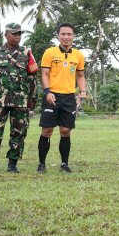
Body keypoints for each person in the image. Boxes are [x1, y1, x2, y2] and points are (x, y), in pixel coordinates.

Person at [0, 23, 37, 174]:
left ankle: (13, 163)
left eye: (19, 34)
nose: (17, 36)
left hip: (21, 101)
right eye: (14, 33)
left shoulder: (26, 53)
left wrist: (32, 100)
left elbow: (32, 79)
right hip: (0, 100)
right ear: (6, 35)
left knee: (18, 133)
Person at [38, 23, 86, 173]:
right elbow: (44, 74)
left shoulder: (78, 55)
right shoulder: (49, 52)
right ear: (58, 35)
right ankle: (41, 164)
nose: (66, 37)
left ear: (73, 36)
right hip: (52, 95)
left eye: (69, 34)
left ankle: (64, 164)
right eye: (63, 34)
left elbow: (80, 75)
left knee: (65, 131)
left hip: (69, 97)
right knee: (47, 130)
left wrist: (82, 91)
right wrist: (47, 92)